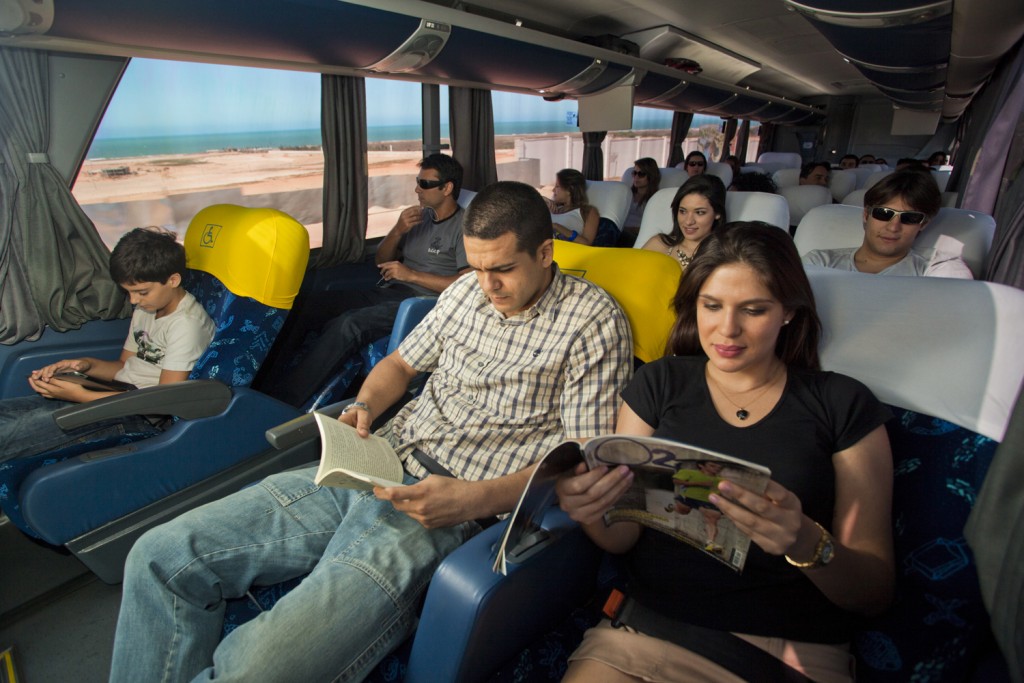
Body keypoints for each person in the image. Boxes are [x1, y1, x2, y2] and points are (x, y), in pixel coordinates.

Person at [109, 181, 634, 683]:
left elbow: (577, 458)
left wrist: (471, 500)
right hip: (376, 462)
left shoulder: (592, 322)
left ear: (545, 253)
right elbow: (400, 366)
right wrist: (363, 406)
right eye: (475, 269)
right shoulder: (465, 295)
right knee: (161, 556)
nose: (487, 286)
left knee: (260, 665)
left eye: (502, 270)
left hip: (444, 508)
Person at [557, 223, 894, 683]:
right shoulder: (658, 384)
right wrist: (592, 511)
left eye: (753, 310)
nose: (727, 329)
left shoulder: (841, 404)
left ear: (789, 312)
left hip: (787, 652)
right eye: (711, 306)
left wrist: (804, 541)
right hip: (645, 633)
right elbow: (624, 538)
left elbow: (872, 592)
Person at [260, 154, 470, 407]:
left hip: (422, 303)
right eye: (417, 181)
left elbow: (466, 285)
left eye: (424, 184)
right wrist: (398, 230)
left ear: (447, 188)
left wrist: (411, 274)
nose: (417, 189)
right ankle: (263, 382)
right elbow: (381, 260)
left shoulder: (464, 226)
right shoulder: (419, 218)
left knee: (350, 324)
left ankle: (284, 402)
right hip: (390, 290)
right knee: (307, 305)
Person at [0, 227, 215, 464]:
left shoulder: (186, 325)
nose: (134, 301)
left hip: (138, 416)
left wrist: (81, 396)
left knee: (8, 436)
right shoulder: (147, 308)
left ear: (173, 280)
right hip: (116, 397)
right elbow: (124, 365)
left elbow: (164, 403)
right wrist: (84, 366)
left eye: (141, 292)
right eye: (128, 292)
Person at [802, 169, 973, 278]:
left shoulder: (935, 269)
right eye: (883, 214)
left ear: (923, 224)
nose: (893, 227)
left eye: (909, 218)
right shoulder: (819, 262)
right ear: (866, 215)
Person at [642, 175, 726, 271]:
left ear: (717, 213)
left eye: (699, 212)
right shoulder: (659, 244)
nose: (688, 221)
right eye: (683, 211)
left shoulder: (724, 256)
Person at [545, 168, 601, 245]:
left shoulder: (588, 211)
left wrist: (557, 226)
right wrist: (543, 199)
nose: (553, 190)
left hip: (563, 253)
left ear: (569, 190)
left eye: (557, 186)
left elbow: (587, 243)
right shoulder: (552, 208)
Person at [623, 157, 661, 239]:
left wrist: (626, 229)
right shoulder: (626, 194)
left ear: (651, 176)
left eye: (641, 174)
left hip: (637, 236)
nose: (636, 177)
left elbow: (653, 227)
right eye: (634, 173)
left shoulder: (656, 199)